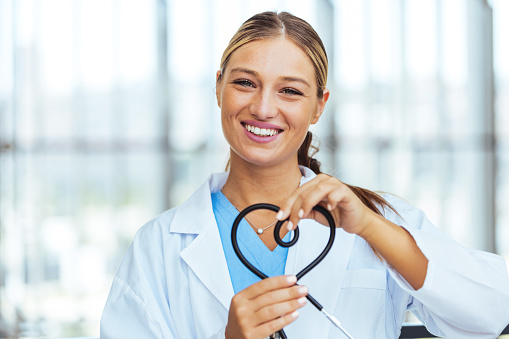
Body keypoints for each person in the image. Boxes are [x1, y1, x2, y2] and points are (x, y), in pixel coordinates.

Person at [100, 11, 509, 339]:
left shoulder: (376, 223)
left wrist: (369, 226)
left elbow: (492, 310)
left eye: (290, 91)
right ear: (219, 87)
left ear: (318, 106)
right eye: (245, 83)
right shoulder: (158, 246)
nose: (263, 108)